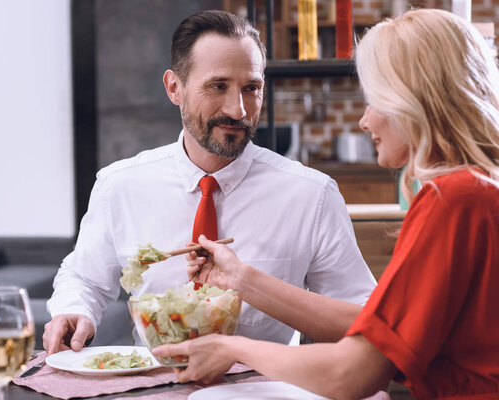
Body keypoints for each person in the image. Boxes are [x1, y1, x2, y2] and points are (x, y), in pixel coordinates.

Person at [153, 8, 499, 399]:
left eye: (376, 99)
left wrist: (229, 348)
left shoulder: (454, 201)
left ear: (417, 101)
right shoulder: (477, 191)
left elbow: (353, 373)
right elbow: (375, 324)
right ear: (174, 88)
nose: (364, 121)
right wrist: (239, 279)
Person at [43, 10, 376, 354]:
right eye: (218, 86)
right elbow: (84, 279)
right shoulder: (119, 186)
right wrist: (74, 309)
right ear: (175, 88)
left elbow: (364, 318)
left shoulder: (311, 195)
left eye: (251, 88)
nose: (238, 110)